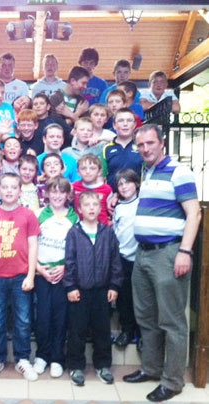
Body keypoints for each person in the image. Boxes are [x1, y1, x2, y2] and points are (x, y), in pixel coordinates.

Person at [123, 124, 201, 402]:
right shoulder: (149, 171)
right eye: (140, 145)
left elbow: (194, 214)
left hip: (168, 254)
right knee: (146, 317)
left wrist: (185, 252)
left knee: (172, 321)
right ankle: (152, 369)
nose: (145, 148)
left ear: (162, 143)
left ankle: (173, 381)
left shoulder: (179, 172)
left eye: (150, 143)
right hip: (143, 254)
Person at [0, 173, 41, 382]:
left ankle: (23, 359)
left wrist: (31, 275)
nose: (8, 191)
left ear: (20, 191)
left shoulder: (28, 215)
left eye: (13, 187)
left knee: (23, 320)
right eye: (4, 187)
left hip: (22, 276)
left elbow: (33, 245)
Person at [64, 191, 123, 387]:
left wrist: (114, 285)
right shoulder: (74, 233)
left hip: (101, 291)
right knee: (77, 330)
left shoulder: (108, 233)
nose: (91, 208)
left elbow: (115, 261)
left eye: (95, 205)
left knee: (102, 330)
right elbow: (69, 262)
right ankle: (76, 366)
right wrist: (70, 286)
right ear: (79, 209)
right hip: (79, 290)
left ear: (100, 208)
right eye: (86, 205)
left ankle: (103, 365)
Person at [33, 177, 78, 378]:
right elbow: (29, 244)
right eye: (54, 191)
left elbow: (78, 250)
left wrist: (65, 267)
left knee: (61, 318)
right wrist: (37, 268)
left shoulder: (75, 218)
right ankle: (42, 355)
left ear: (68, 195)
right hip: (42, 274)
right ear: (46, 193)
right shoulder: (38, 214)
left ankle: (58, 358)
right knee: (42, 317)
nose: (57, 196)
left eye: (62, 192)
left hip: (63, 276)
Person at [113, 169, 140, 349]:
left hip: (140, 257)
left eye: (128, 182)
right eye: (120, 184)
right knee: (124, 297)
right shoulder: (118, 207)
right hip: (122, 258)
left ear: (137, 184)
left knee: (141, 298)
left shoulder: (143, 202)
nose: (124, 187)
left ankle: (142, 333)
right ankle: (127, 330)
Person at [101, 108, 143, 191]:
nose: (125, 124)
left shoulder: (141, 147)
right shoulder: (107, 149)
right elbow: (102, 177)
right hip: (112, 198)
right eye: (121, 121)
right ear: (114, 125)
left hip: (137, 197)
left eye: (129, 120)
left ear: (134, 124)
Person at [73, 154, 112, 225]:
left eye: (92, 168)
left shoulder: (107, 189)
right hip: (80, 230)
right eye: (84, 168)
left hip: (102, 229)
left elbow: (112, 211)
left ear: (100, 172)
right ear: (78, 172)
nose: (88, 171)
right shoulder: (74, 187)